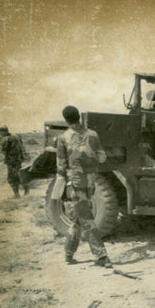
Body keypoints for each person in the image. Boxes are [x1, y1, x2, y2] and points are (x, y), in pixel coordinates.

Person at [56, 105, 113, 268]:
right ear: (79, 117)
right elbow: (102, 158)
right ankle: (92, 255)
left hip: (75, 183)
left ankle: (91, 255)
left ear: (66, 120)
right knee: (84, 217)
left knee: (84, 219)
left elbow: (61, 166)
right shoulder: (93, 135)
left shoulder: (63, 138)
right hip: (90, 182)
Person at [0, 125, 28, 197]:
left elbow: (4, 150)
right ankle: (26, 189)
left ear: (3, 132)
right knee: (18, 174)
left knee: (11, 177)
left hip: (11, 161)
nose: (0, 135)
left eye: (0, 133)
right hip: (19, 159)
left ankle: (16, 194)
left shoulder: (6, 139)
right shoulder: (16, 136)